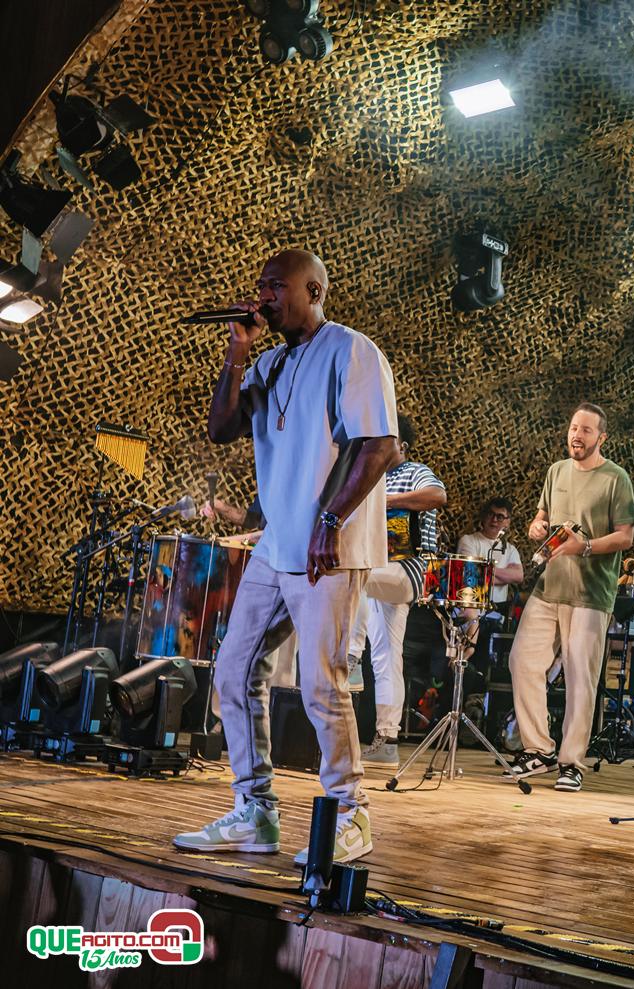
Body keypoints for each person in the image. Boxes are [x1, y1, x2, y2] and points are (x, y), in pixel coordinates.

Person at [174, 249, 397, 865]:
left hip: (330, 548)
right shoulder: (268, 362)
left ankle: (350, 813)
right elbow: (221, 429)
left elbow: (381, 446)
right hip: (277, 546)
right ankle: (255, 811)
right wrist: (237, 350)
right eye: (261, 286)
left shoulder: (351, 350)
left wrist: (331, 520)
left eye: (276, 286)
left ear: (314, 290)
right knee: (233, 670)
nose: (264, 296)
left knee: (322, 683)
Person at [504, 403, 634, 792]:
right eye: (573, 428)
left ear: (602, 437)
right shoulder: (557, 471)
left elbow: (626, 536)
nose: (576, 435)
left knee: (581, 677)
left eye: (586, 430)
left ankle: (571, 762)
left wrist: (585, 547)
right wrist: (536, 526)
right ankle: (538, 749)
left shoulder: (616, 478)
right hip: (550, 586)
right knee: (522, 661)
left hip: (590, 594)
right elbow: (542, 516)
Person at [350, 413, 446, 765]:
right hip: (377, 571)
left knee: (350, 574)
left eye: (383, 442)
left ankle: (350, 656)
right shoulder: (369, 475)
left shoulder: (414, 471)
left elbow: (437, 495)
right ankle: (388, 739)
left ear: (401, 446)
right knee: (387, 657)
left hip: (406, 571)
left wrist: (384, 501)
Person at [456, 497, 525, 606]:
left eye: (500, 517)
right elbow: (471, 574)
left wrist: (486, 570)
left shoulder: (510, 549)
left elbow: (518, 576)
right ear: (484, 516)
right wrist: (505, 578)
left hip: (498, 610)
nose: (494, 520)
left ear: (507, 522)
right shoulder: (468, 541)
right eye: (490, 514)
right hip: (471, 606)